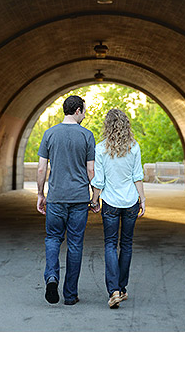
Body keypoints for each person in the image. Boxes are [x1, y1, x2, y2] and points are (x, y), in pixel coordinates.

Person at [37, 95, 95, 305]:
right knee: (75, 244)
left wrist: (40, 194)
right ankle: (70, 295)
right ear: (78, 110)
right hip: (79, 199)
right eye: (84, 110)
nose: (85, 114)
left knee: (53, 239)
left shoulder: (49, 134)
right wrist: (95, 197)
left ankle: (52, 277)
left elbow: (42, 168)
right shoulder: (87, 135)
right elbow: (91, 170)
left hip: (56, 198)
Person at [90, 108, 146, 309]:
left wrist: (94, 201)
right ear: (126, 125)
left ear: (107, 126)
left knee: (110, 244)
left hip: (111, 203)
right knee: (127, 245)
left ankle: (113, 290)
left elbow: (99, 180)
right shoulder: (134, 147)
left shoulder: (101, 148)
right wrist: (142, 198)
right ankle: (122, 289)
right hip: (130, 201)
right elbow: (137, 175)